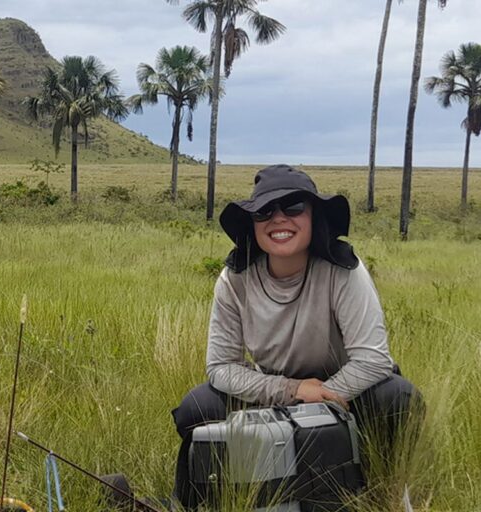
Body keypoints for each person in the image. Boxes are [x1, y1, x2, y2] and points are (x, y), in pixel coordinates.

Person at [171, 165, 421, 509]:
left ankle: (383, 493)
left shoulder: (343, 270)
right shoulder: (235, 278)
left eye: (293, 207)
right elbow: (221, 368)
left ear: (314, 216)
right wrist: (293, 391)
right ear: (252, 223)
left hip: (348, 390)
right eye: (264, 211)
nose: (278, 218)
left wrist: (320, 398)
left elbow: (373, 361)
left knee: (398, 398)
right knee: (196, 408)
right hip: (274, 387)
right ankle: (210, 500)